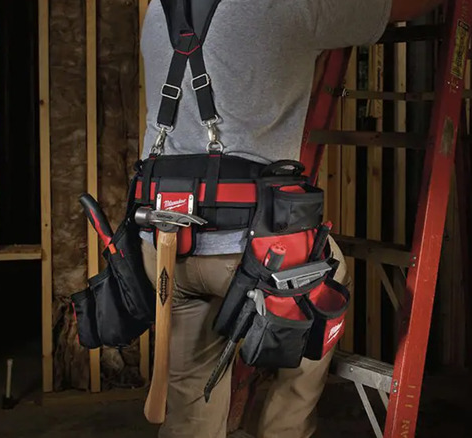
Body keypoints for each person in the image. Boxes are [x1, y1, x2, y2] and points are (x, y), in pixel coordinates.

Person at [138, 0, 446, 437]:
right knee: (329, 281)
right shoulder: (287, 4)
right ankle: (284, 428)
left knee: (191, 395)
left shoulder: (158, 9)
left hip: (168, 248)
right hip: (253, 253)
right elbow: (400, 6)